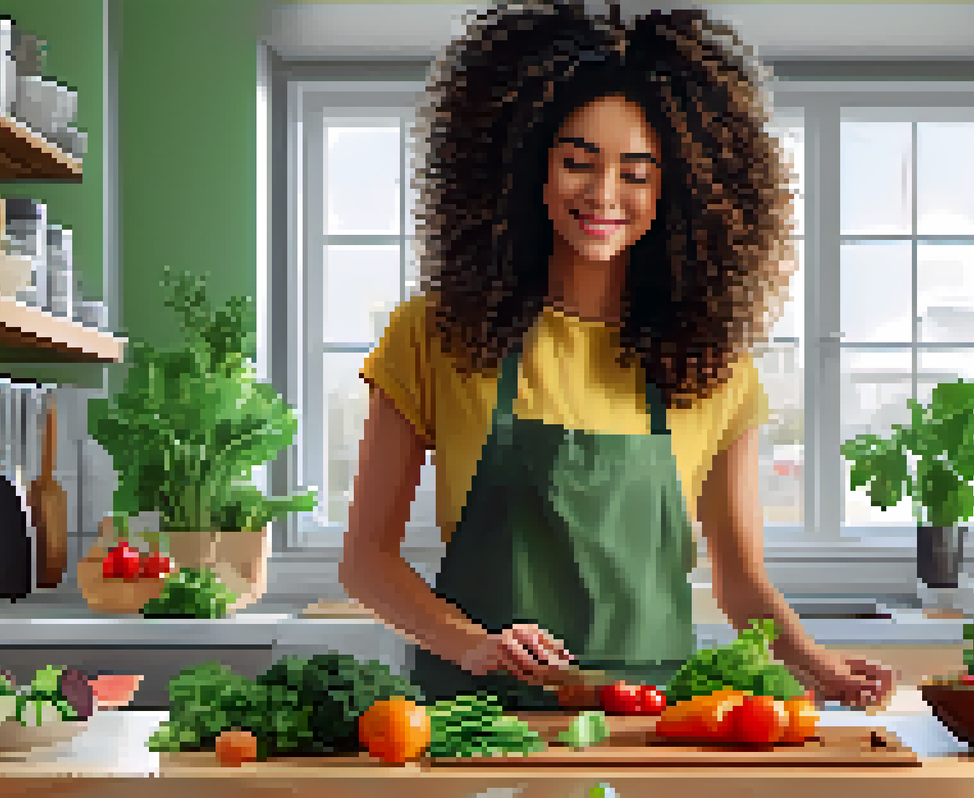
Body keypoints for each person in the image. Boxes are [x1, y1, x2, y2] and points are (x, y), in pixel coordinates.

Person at [340, 0, 894, 711]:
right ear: (525, 167)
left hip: (651, 726)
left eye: (636, 173)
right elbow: (366, 560)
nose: (604, 194)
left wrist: (818, 664)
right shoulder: (438, 333)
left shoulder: (712, 365)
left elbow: (740, 582)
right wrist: (471, 643)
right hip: (476, 724)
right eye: (579, 163)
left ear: (680, 192)